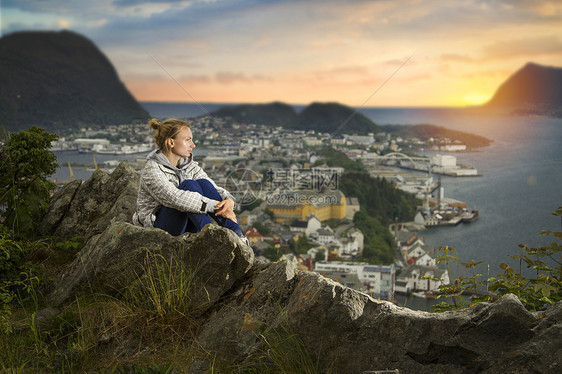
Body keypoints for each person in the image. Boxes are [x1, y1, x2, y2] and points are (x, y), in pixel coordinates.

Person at [132, 118, 246, 243]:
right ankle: (211, 236)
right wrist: (215, 205)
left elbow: (211, 187)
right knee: (189, 185)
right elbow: (175, 198)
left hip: (187, 222)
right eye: (188, 140)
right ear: (171, 142)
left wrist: (229, 201)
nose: (193, 145)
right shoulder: (152, 170)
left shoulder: (188, 165)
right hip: (159, 228)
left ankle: (238, 236)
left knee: (203, 183)